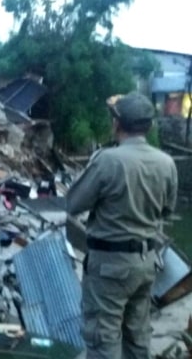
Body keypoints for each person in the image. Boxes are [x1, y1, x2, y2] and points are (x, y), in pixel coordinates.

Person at [66, 92, 178, 359]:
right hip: (146, 263)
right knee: (137, 338)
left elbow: (73, 204)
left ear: (116, 124)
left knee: (103, 340)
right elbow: (166, 210)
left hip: (109, 267)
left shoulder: (108, 160)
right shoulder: (167, 163)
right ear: (149, 126)